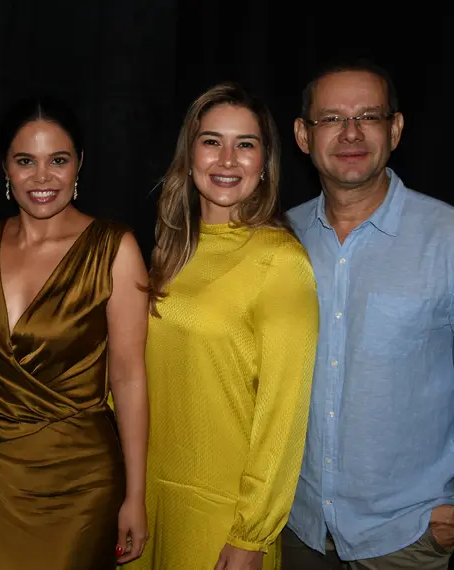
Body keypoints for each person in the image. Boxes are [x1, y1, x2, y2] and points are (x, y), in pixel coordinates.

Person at [282, 59, 454, 570]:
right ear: (302, 135)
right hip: (296, 530)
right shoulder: (282, 240)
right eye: (331, 119)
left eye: (369, 116)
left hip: (407, 540)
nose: (351, 132)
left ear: (396, 129)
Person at [0, 96, 149, 570]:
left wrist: (135, 496)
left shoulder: (113, 248)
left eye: (58, 160)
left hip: (79, 480)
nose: (42, 178)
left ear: (79, 165)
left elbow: (128, 377)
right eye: (26, 161)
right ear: (5, 168)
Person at [128, 83, 319, 570]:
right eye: (212, 141)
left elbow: (284, 415)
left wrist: (251, 535)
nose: (228, 159)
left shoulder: (280, 260)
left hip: (221, 515)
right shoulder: (169, 250)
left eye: (245, 144)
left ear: (264, 162)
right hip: (148, 493)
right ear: (189, 155)